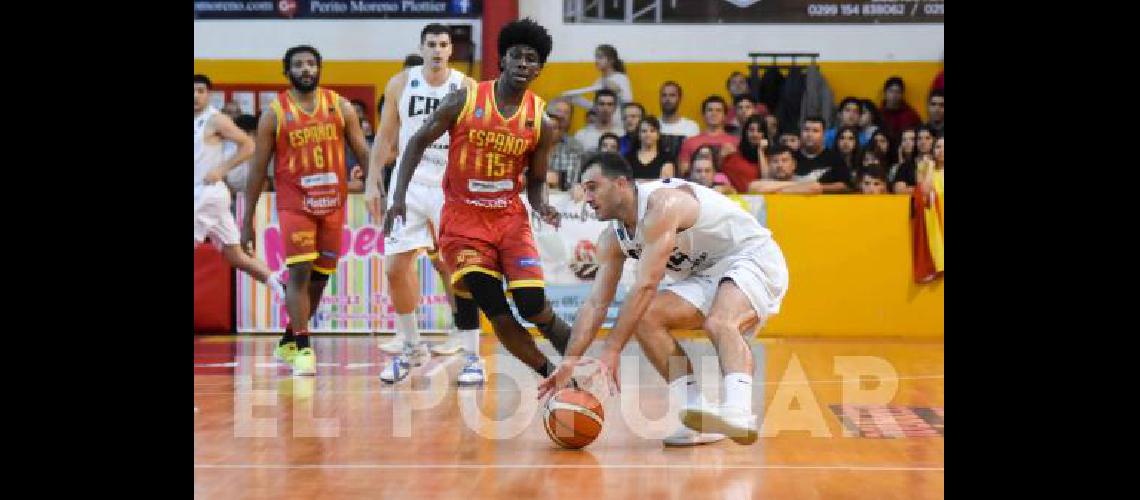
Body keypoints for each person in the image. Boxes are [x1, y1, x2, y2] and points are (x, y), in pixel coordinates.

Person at [538, 152, 790, 447]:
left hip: (751, 255)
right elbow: (596, 303)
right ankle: (701, 414)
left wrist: (612, 350)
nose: (587, 197)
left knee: (720, 321)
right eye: (584, 189)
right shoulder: (612, 238)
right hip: (705, 274)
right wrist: (570, 360)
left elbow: (646, 285)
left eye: (593, 187)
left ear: (620, 184)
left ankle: (739, 410)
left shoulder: (662, 205)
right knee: (645, 318)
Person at [383, 18, 575, 384]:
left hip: (510, 221)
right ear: (503, 60)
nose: (522, 63)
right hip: (463, 223)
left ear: (539, 69)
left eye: (530, 59)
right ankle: (551, 377)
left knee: (534, 307)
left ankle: (583, 369)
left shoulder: (541, 121)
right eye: (516, 56)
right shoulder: (466, 98)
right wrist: (398, 195)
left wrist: (542, 204)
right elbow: (416, 141)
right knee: (496, 308)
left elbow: (535, 181)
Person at [241, 45, 372, 376]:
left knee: (319, 281)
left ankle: (288, 340)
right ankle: (303, 349)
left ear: (320, 69)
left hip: (333, 205)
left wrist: (375, 189)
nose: (305, 69)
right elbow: (258, 169)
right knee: (299, 274)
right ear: (286, 72)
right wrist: (247, 220)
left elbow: (364, 152)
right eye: (298, 65)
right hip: (294, 205)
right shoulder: (274, 113)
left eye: (311, 64)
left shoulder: (340, 107)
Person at [362, 24, 482, 383]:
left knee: (460, 268)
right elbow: (385, 137)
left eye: (443, 44)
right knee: (395, 269)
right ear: (421, 47)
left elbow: (477, 140)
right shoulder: (401, 83)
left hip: (450, 186)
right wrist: (372, 183)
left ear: (450, 50)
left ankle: (474, 356)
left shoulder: (466, 87)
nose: (437, 50)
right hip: (408, 185)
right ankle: (413, 347)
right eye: (431, 44)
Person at [194, 75, 284, 304]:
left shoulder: (215, 120)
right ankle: (278, 285)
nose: (196, 95)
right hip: (205, 196)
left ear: (208, 94)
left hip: (208, 192)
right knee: (235, 255)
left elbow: (249, 145)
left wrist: (222, 169)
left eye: (201, 90)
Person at [561, 43, 634, 110]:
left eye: (600, 57)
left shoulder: (621, 78)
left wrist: (618, 91)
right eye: (596, 57)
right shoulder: (598, 81)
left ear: (611, 60)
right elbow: (596, 108)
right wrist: (575, 99)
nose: (596, 61)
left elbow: (628, 103)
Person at [720, 115, 770, 193]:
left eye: (759, 131)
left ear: (764, 134)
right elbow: (717, 173)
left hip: (758, 199)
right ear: (745, 132)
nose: (755, 134)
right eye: (751, 130)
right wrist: (721, 157)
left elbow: (766, 180)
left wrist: (761, 151)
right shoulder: (732, 152)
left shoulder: (769, 155)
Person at [623, 116, 676, 181]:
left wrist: (638, 181)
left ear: (658, 135)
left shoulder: (667, 157)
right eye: (644, 131)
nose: (648, 134)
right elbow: (624, 182)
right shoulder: (628, 157)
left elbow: (666, 183)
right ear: (638, 135)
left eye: (652, 131)